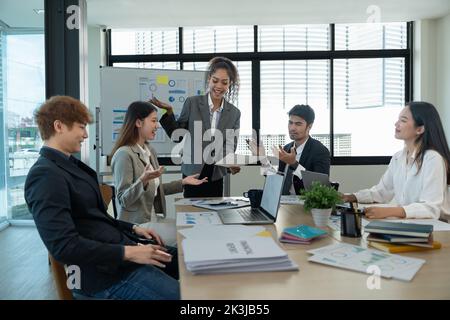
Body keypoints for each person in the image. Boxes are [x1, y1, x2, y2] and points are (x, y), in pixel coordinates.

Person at [24, 96, 180, 300]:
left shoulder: (70, 166)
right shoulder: (44, 175)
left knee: (186, 262)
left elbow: (96, 219)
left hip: (120, 255)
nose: (85, 135)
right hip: (102, 277)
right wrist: (130, 253)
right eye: (81, 127)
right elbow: (64, 246)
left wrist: (132, 228)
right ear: (59, 126)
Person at [150, 56, 241, 198]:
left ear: (230, 84)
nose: (219, 86)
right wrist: (169, 112)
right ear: (209, 79)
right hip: (192, 172)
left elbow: (229, 146)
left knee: (215, 215)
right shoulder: (192, 103)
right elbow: (177, 136)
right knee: (190, 213)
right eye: (215, 81)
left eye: (224, 82)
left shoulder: (234, 113)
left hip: (216, 174)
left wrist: (229, 163)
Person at [342, 101, 450, 220]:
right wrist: (349, 197)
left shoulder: (432, 159)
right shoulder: (398, 157)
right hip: (410, 224)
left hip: (438, 228)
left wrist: (389, 211)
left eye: (403, 120)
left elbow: (431, 208)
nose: (396, 124)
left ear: (420, 129)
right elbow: (381, 192)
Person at [110, 101, 207, 225]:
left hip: (154, 219)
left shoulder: (150, 151)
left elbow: (156, 189)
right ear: (139, 123)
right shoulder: (124, 154)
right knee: (183, 236)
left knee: (191, 228)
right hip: (137, 227)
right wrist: (142, 181)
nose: (157, 126)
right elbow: (123, 200)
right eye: (153, 121)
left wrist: (183, 182)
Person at [248, 104, 330, 195]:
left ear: (309, 126)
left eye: (298, 124)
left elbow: (321, 186)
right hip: (284, 202)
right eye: (290, 123)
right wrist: (263, 159)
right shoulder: (286, 148)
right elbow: (277, 182)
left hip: (306, 204)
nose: (292, 128)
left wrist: (294, 164)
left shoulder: (320, 151)